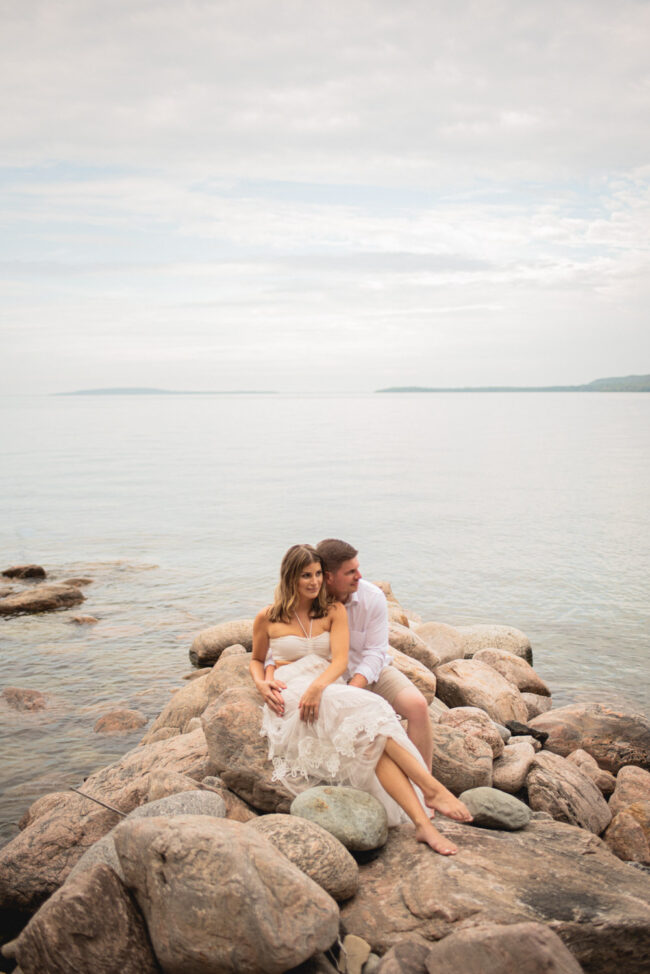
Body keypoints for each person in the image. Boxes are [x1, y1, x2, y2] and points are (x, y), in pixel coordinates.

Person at [250, 544, 472, 855]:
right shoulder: (267, 617)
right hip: (290, 693)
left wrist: (319, 688)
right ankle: (430, 791)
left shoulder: (333, 610)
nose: (313, 582)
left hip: (328, 683)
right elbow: (258, 659)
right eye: (305, 576)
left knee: (372, 738)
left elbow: (341, 661)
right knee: (373, 723)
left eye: (316, 575)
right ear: (291, 578)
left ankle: (424, 823)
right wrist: (262, 685)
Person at [316, 538, 433, 769]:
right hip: (327, 679)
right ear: (329, 577)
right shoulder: (309, 599)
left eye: (358, 568)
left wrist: (353, 690)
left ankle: (424, 783)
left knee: (418, 705)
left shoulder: (372, 597)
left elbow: (376, 653)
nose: (359, 576)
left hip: (369, 674)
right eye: (351, 572)